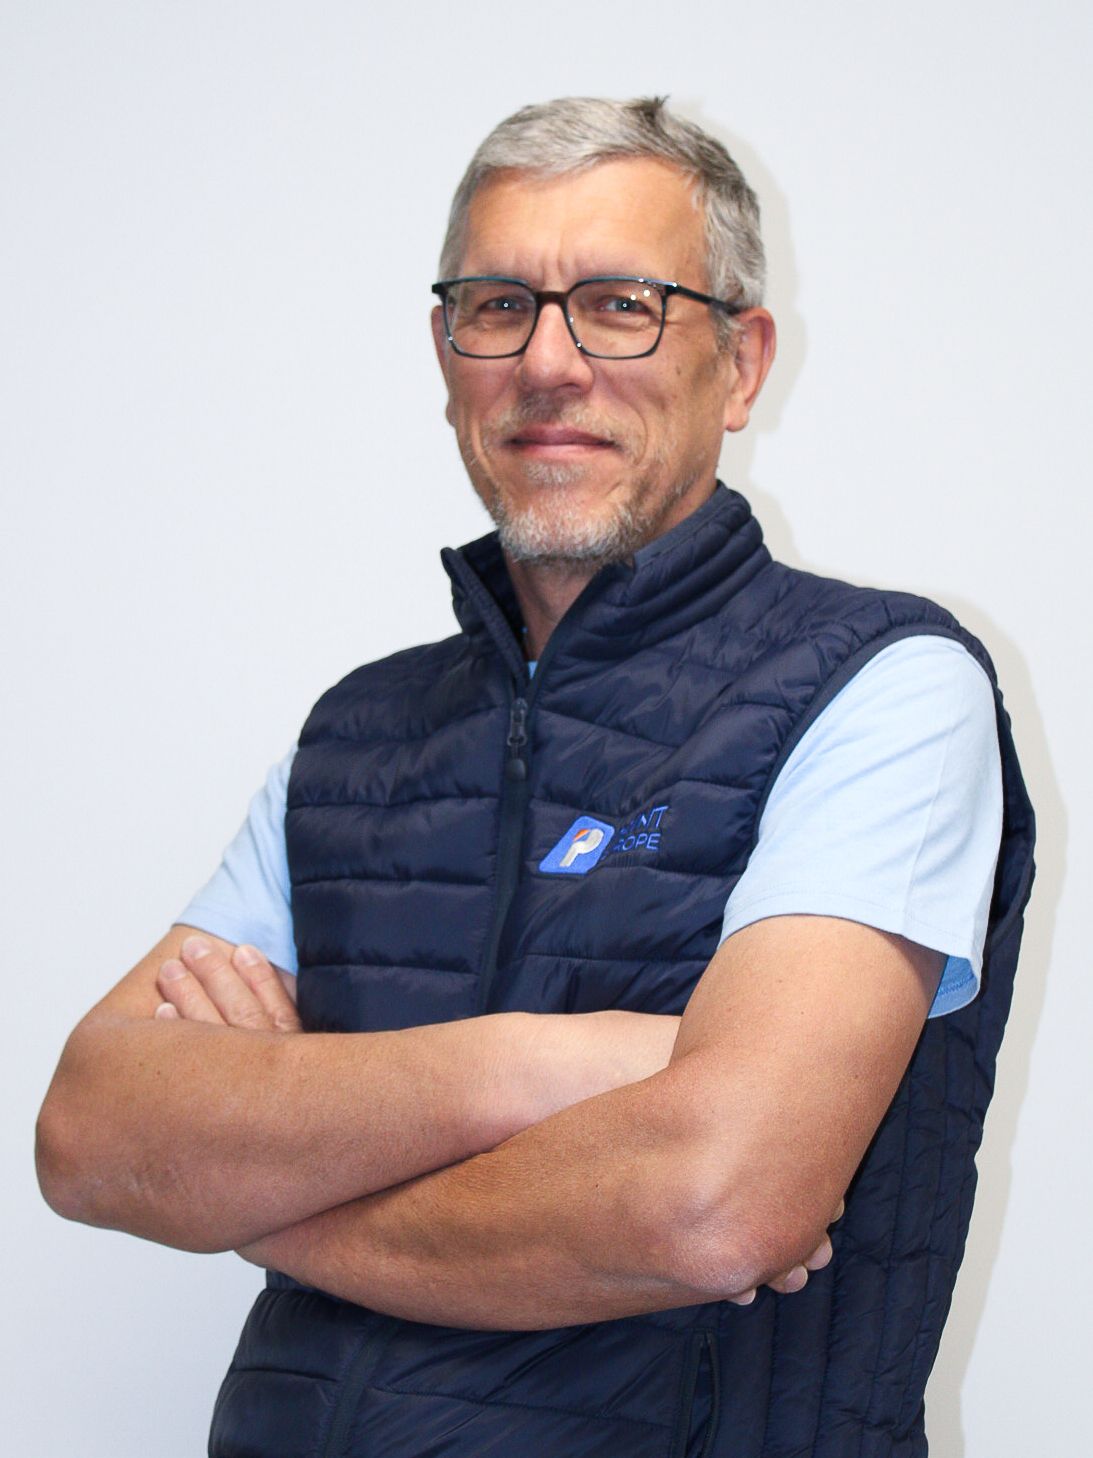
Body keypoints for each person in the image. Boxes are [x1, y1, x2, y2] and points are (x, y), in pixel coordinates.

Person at [37, 97, 1035, 1457]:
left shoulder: (883, 688)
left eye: (621, 303)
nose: (549, 362)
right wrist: (543, 1069)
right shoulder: (356, 736)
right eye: (497, 304)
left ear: (739, 365)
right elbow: (93, 1133)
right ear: (445, 354)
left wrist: (254, 1190)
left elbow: (711, 1203)